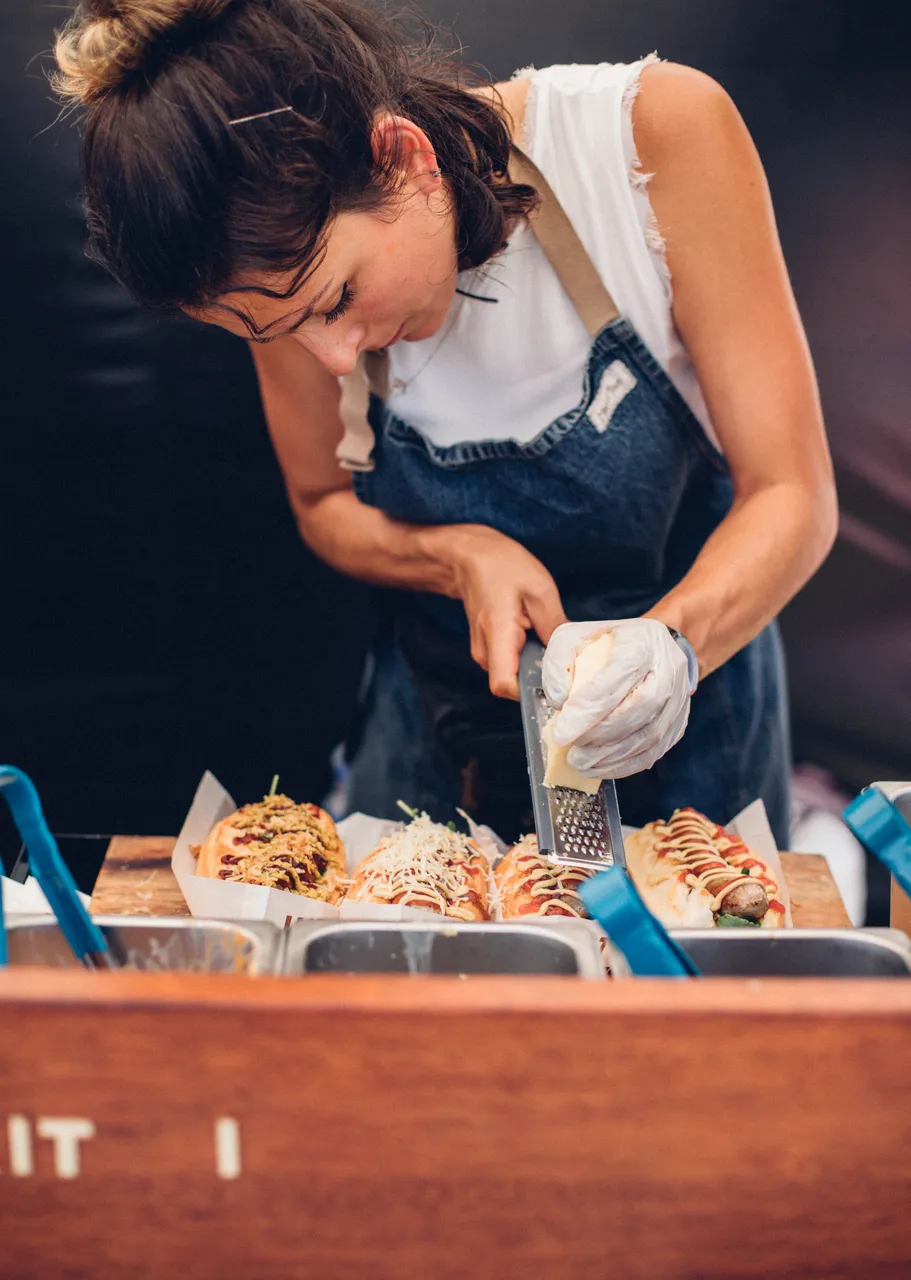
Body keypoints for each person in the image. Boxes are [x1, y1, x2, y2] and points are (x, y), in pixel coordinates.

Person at [52, 0, 837, 847]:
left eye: (339, 300)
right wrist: (459, 556)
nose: (335, 361)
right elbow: (323, 505)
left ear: (403, 157)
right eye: (281, 334)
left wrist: (669, 652)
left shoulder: (649, 134)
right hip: (437, 736)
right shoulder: (276, 269)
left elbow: (790, 494)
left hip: (697, 724)